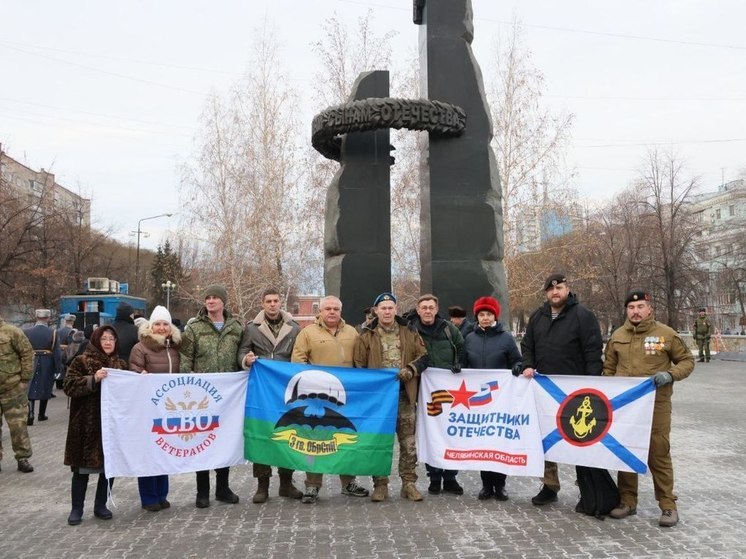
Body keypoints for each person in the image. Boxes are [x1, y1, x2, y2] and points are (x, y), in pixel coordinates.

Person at [604, 291, 694, 527]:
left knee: (658, 453)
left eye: (640, 306)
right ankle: (627, 501)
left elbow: (686, 361)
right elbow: (608, 370)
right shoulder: (617, 336)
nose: (636, 311)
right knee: (625, 452)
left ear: (649, 309)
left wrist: (670, 374)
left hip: (657, 405)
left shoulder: (665, 334)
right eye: (631, 306)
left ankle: (667, 506)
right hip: (626, 407)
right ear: (626, 310)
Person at [519, 273, 603, 507]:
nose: (555, 292)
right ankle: (549, 485)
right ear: (546, 293)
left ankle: (585, 488)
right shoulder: (538, 317)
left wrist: (592, 384)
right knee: (545, 439)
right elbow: (528, 346)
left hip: (575, 392)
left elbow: (592, 351)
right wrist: (527, 364)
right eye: (551, 289)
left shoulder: (582, 315)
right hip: (544, 391)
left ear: (568, 289)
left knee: (579, 437)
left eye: (560, 288)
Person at [291, 295, 370, 504]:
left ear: (340, 311)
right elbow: (298, 362)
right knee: (316, 441)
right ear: (321, 311)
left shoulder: (352, 332)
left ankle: (348, 482)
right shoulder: (307, 333)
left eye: (335, 308)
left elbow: (360, 361)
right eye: (328, 309)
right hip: (318, 398)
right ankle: (312, 486)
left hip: (346, 398)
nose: (332, 312)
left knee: (345, 438)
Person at [353, 292, 429, 502]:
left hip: (405, 397)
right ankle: (380, 484)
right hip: (379, 402)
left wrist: (411, 370)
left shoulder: (409, 331)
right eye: (383, 308)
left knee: (408, 444)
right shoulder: (366, 335)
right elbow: (358, 366)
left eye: (390, 307)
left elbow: (424, 356)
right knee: (379, 442)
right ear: (376, 311)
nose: (387, 311)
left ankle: (409, 483)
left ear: (396, 309)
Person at [238, 287, 303, 504]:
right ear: (262, 304)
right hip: (262, 390)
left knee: (288, 432)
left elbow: (300, 354)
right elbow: (242, 351)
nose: (272, 304)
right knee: (263, 434)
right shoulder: (251, 328)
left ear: (280, 303)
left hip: (286, 390)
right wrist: (246, 359)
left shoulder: (294, 328)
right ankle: (262, 484)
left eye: (276, 300)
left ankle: (286, 482)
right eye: (268, 301)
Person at [179, 284, 243, 509]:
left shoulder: (236, 326)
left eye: (215, 297)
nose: (211, 301)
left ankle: (223, 488)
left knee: (223, 441)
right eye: (207, 298)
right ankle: (202, 490)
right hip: (202, 396)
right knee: (202, 441)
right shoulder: (194, 328)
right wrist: (190, 380)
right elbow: (185, 358)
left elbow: (241, 354)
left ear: (223, 301)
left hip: (228, 396)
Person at [63, 325, 127, 525]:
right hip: (86, 424)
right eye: (104, 338)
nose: (108, 342)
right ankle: (77, 509)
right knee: (81, 470)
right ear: (96, 340)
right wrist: (93, 379)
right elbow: (69, 386)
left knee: (108, 468)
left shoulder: (120, 365)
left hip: (111, 425)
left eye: (112, 339)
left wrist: (139, 379)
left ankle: (101, 505)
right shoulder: (81, 361)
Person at [464, 296, 522, 501]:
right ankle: (486, 485)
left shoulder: (506, 338)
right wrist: (455, 369)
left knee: (498, 442)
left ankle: (500, 484)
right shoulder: (469, 338)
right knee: (482, 442)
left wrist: (517, 368)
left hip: (500, 399)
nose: (485, 318)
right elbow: (463, 362)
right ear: (477, 316)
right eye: (482, 314)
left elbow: (517, 360)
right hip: (478, 399)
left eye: (489, 314)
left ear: (494, 316)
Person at [409, 294, 466, 496]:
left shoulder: (449, 329)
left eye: (431, 307)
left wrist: (460, 363)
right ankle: (434, 477)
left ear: (436, 309)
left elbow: (461, 348)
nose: (427, 311)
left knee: (450, 431)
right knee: (430, 432)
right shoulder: (411, 330)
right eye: (423, 307)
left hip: (448, 391)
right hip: (423, 390)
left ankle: (450, 477)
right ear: (418, 310)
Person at [128, 305, 181, 512]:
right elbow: (134, 370)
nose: (161, 328)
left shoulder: (175, 348)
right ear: (151, 326)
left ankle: (162, 493)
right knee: (148, 452)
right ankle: (149, 496)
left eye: (165, 324)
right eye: (157, 324)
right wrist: (139, 375)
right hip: (147, 408)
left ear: (170, 327)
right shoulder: (140, 348)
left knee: (164, 451)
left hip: (169, 409)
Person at [0, 314, 35, 473]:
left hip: (13, 389)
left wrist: (24, 380)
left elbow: (27, 354)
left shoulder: (12, 332)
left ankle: (23, 458)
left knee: (18, 426)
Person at [24, 309, 63, 425]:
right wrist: (58, 368)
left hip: (31, 360)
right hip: (47, 361)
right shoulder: (53, 332)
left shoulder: (26, 331)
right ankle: (41, 414)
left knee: (30, 388)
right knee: (45, 386)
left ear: (36, 317)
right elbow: (57, 352)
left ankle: (30, 413)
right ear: (48, 318)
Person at [56, 313, 77, 389]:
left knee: (59, 368)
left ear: (65, 321)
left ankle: (58, 384)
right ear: (73, 322)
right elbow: (71, 345)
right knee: (66, 369)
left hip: (58, 352)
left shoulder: (58, 331)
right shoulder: (72, 332)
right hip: (67, 353)